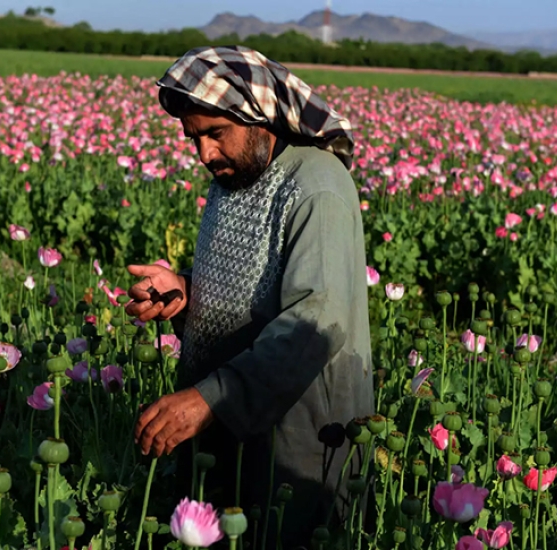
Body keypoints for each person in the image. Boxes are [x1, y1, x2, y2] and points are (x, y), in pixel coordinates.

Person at [124, 45, 374, 548]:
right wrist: (188, 292)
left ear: (259, 118)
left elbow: (314, 321)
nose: (204, 154)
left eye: (216, 134)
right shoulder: (237, 176)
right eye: (194, 138)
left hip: (298, 435)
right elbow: (254, 281)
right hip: (230, 416)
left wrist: (208, 399)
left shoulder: (316, 187)